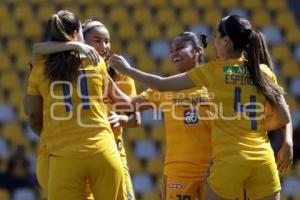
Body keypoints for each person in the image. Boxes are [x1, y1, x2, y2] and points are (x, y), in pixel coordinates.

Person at [108, 15, 291, 200]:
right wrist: (103, 78)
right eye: (172, 50)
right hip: (183, 170)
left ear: (197, 51)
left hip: (217, 167)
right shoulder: (260, 72)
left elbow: (161, 83)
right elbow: (130, 104)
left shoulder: (211, 77)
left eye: (179, 48)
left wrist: (129, 71)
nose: (173, 54)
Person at [30, 19, 139, 200]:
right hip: (69, 154)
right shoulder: (65, 68)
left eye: (107, 41)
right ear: (81, 42)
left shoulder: (119, 73)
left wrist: (122, 119)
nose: (104, 46)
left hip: (109, 152)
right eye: (97, 41)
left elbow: (135, 117)